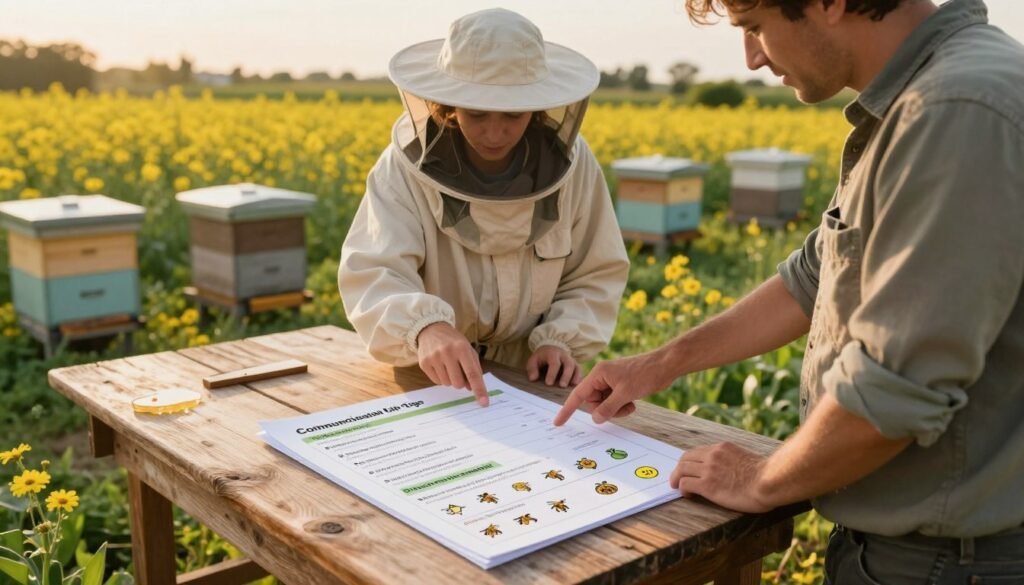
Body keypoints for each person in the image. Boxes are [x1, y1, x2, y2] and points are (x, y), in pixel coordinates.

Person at [554, 0, 1024, 581]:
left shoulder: (955, 111)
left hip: (947, 564)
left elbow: (897, 387)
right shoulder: (922, 98)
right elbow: (812, 277)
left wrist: (762, 478)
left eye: (754, 28)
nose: (751, 58)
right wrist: (660, 363)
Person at [339, 8, 629, 407]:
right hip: (431, 373)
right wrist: (425, 329)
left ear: (540, 107)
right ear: (445, 104)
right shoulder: (401, 170)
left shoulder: (575, 168)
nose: (495, 132)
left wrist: (561, 341)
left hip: (531, 377)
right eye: (476, 114)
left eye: (513, 115)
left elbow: (596, 270)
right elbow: (374, 273)